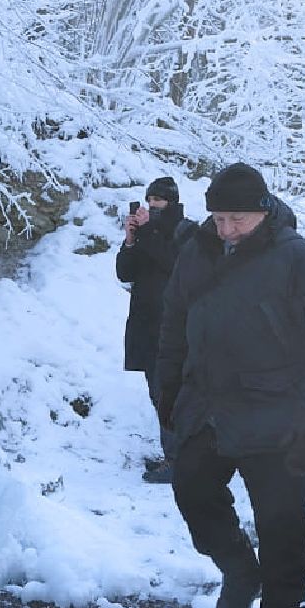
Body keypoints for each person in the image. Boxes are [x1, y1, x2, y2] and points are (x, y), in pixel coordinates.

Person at [155, 163, 305, 608]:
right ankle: (241, 571)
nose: (226, 230)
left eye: (237, 219)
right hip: (207, 407)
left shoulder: (297, 258)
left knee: (283, 525)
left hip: (279, 413)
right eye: (219, 218)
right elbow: (173, 326)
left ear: (263, 212)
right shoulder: (196, 253)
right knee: (193, 492)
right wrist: (168, 397)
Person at [115, 176, 197, 482]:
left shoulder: (186, 231)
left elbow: (175, 263)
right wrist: (130, 241)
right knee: (158, 394)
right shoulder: (149, 232)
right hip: (146, 327)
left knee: (171, 396)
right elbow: (125, 272)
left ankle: (180, 462)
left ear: (172, 202)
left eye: (159, 200)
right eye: (149, 200)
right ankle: (175, 457)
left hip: (176, 332)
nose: (152, 205)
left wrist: (148, 231)